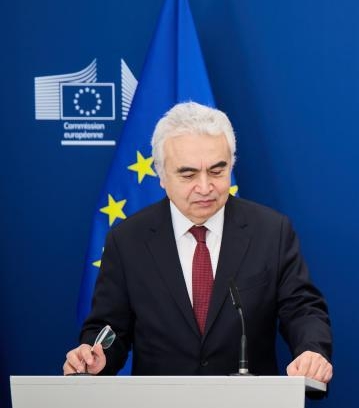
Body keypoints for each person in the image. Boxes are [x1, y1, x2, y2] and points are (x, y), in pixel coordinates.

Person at [64, 102, 333, 384]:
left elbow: (302, 309)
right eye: (188, 174)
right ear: (162, 176)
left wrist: (311, 350)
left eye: (217, 172)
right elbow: (110, 328)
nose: (205, 188)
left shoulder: (271, 231)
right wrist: (97, 355)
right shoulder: (128, 240)